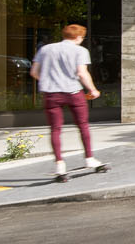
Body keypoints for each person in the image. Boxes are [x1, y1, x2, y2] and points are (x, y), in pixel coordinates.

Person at [30, 23, 107, 182]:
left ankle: (59, 165)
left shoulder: (45, 49)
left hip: (51, 94)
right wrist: (93, 90)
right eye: (82, 38)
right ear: (79, 37)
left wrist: (49, 80)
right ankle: (89, 158)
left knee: (55, 129)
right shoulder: (80, 51)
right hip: (73, 92)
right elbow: (82, 73)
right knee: (83, 125)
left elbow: (34, 72)